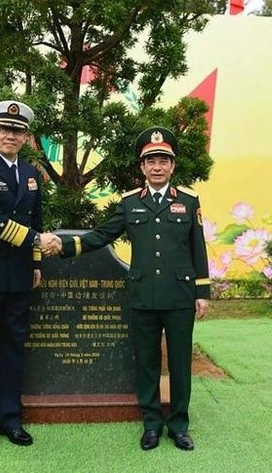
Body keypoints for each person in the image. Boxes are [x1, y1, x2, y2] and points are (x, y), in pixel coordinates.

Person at [58, 126, 210, 451]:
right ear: (142, 167)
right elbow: (101, 235)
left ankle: (179, 425)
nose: (157, 167)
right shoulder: (130, 204)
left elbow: (198, 248)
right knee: (146, 362)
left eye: (163, 160)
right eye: (151, 161)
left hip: (180, 297)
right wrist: (65, 246)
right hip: (143, 296)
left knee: (180, 363)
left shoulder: (188, 200)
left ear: (173, 165)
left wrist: (202, 292)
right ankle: (152, 424)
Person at [0, 100, 60, 453]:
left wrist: (35, 263)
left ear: (26, 137)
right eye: (4, 129)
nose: (10, 135)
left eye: (17, 131)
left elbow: (36, 219)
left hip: (19, 276)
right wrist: (37, 241)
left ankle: (10, 418)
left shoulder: (32, 174)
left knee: (13, 347)